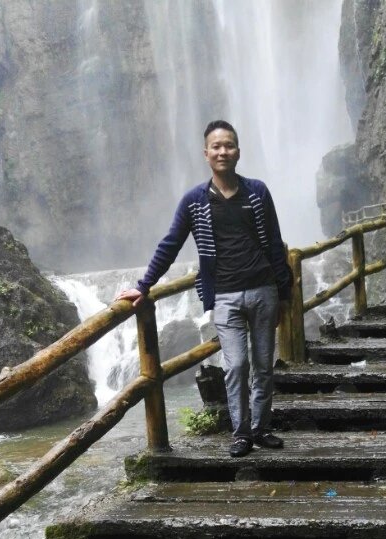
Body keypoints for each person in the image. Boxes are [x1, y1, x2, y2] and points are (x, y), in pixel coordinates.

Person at [116, 120, 291, 458]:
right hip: (224, 296)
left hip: (263, 290)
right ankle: (241, 433)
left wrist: (284, 294)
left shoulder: (257, 192)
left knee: (264, 365)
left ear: (238, 152)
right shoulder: (194, 201)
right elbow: (171, 244)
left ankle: (261, 428)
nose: (223, 151)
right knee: (236, 365)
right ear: (206, 153)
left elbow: (274, 242)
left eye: (229, 145)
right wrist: (144, 285)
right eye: (216, 146)